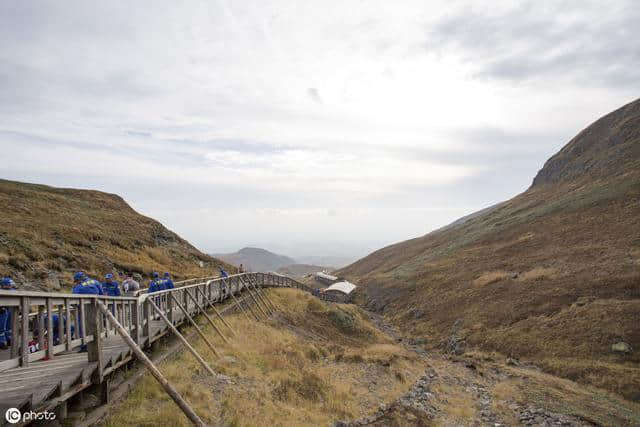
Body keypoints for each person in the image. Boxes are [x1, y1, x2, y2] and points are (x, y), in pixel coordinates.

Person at [0, 277, 17, 349]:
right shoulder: (2, 291)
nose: (11, 286)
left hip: (9, 310)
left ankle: (8, 339)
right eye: (10, 285)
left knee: (8, 326)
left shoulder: (12, 291)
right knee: (2, 327)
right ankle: (2, 342)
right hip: (3, 310)